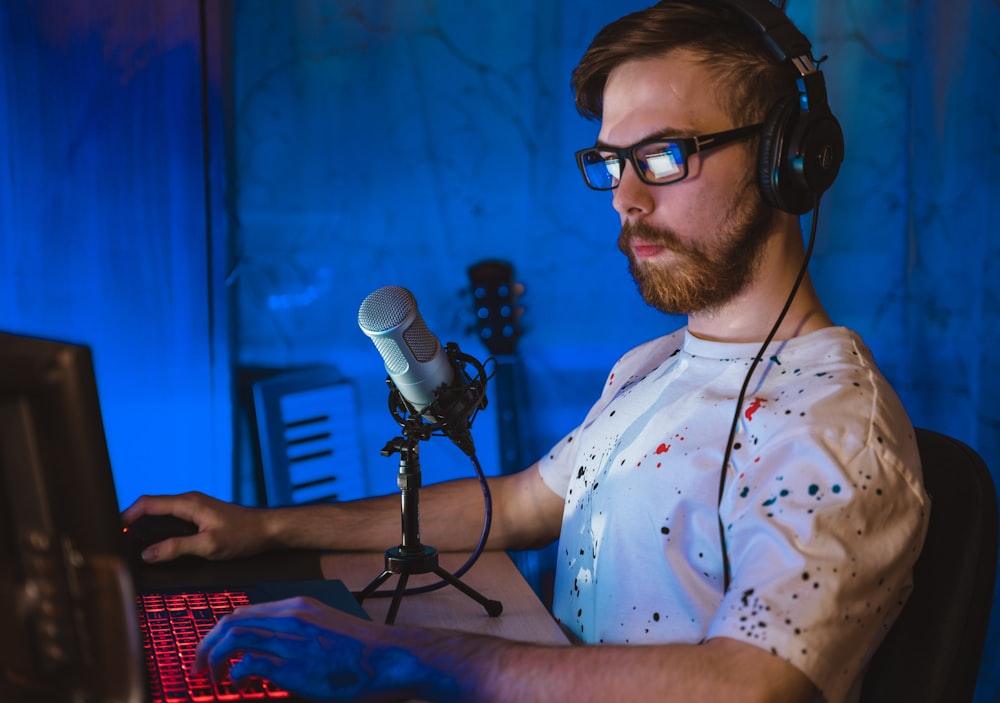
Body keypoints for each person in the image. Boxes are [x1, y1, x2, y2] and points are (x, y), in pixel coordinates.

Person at [123, 2, 929, 701]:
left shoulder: (833, 429)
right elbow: (514, 507)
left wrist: (403, 658)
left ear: (785, 161)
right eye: (612, 162)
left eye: (660, 156)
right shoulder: (653, 366)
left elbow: (756, 684)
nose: (625, 198)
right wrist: (261, 530)